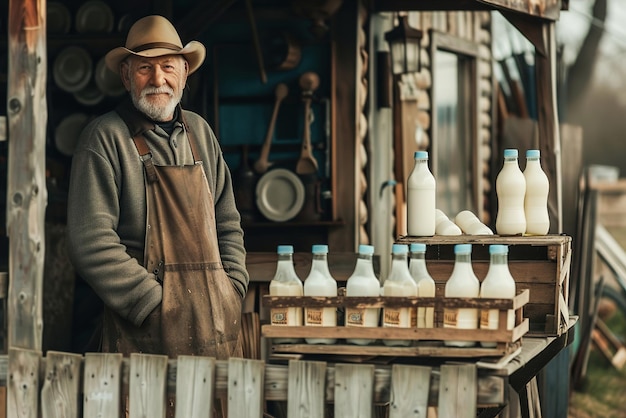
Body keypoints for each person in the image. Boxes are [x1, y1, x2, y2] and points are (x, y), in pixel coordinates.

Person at [66, 15, 249, 360]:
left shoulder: (200, 133)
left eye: (168, 66)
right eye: (144, 69)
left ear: (184, 72)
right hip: (141, 333)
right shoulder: (104, 138)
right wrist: (153, 305)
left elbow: (228, 222)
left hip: (215, 323)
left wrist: (232, 289)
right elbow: (89, 242)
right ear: (125, 76)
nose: (158, 79)